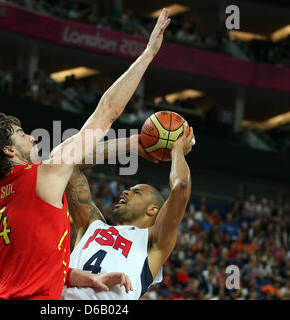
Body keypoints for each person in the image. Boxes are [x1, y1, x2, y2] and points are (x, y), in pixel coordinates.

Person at [0, 8, 171, 300]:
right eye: (21, 134)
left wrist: (84, 277)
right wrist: (149, 53)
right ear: (10, 150)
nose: (31, 136)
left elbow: (31, 260)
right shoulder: (42, 177)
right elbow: (107, 112)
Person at [61, 122, 195, 299]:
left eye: (136, 192)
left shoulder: (153, 241)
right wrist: (129, 144)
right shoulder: (91, 225)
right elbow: (71, 166)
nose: (125, 192)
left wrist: (177, 150)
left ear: (152, 209)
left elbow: (181, 187)